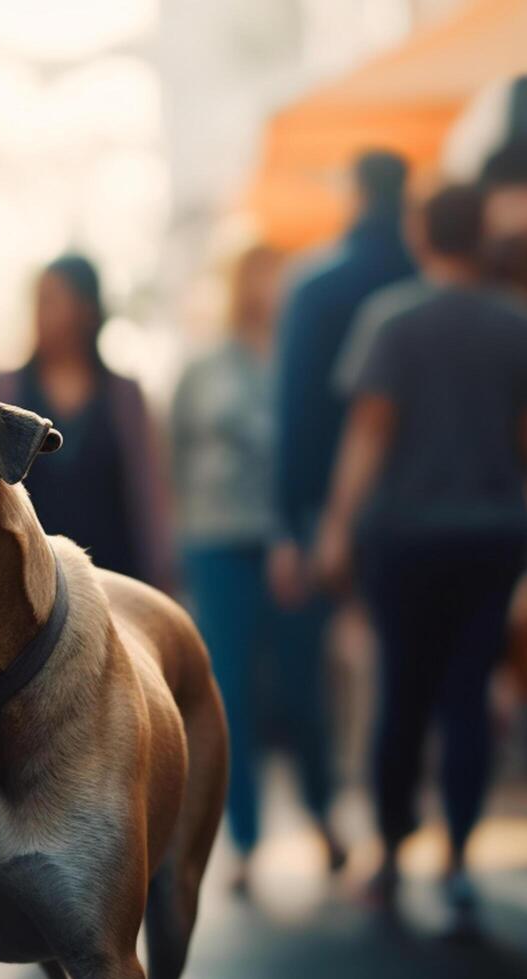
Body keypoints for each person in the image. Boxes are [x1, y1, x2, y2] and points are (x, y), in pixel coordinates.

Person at [312, 184, 527, 936]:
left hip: (403, 540)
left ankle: (387, 858)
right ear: (482, 236)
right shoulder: (523, 325)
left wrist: (337, 528)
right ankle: (459, 866)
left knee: (401, 698)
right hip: (492, 538)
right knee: (468, 698)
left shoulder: (392, 321)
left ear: (421, 234)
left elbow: (369, 435)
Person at [170, 245, 345, 897]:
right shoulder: (204, 368)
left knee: (304, 689)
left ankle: (324, 816)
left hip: (293, 545)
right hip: (217, 544)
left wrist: (311, 535)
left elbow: (323, 459)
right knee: (229, 695)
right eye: (259, 277)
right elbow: (175, 457)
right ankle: (242, 841)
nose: (268, 290)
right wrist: (178, 544)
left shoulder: (307, 364)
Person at [269, 150, 416, 611]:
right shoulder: (426, 277)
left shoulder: (315, 286)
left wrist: (289, 524)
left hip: (335, 502)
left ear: (357, 194)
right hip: (430, 500)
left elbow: (294, 407)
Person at [0, 254, 172, 588]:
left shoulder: (124, 397)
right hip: (21, 582)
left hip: (114, 579)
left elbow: (147, 489)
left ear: (87, 311)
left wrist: (162, 572)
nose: (40, 312)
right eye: (38, 301)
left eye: (52, 300)